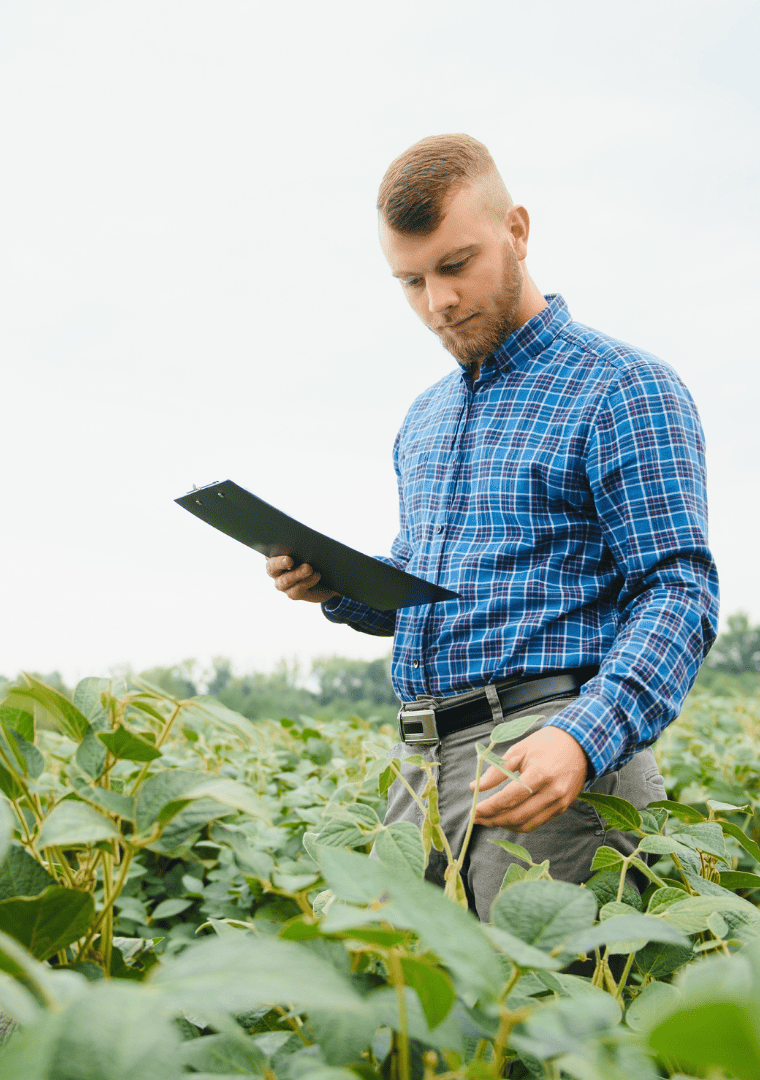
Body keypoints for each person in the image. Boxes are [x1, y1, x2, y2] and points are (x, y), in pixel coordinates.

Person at [267, 134, 719, 920]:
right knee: (428, 1033)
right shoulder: (425, 419)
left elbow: (678, 593)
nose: (436, 302)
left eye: (454, 265)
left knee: (551, 1025)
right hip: (419, 769)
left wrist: (584, 735)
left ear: (516, 230)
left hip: (553, 764)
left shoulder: (623, 388)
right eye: (410, 281)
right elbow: (430, 598)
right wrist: (333, 584)